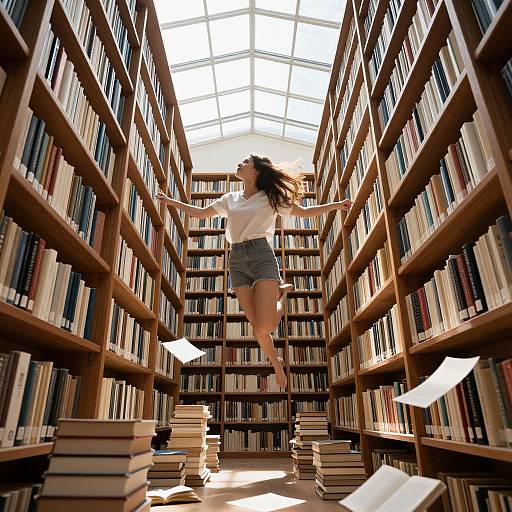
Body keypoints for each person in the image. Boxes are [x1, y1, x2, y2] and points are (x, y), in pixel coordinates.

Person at [157, 154, 351, 388]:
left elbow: (306, 212)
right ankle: (276, 362)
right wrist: (170, 202)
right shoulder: (230, 198)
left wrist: (337, 205)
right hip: (237, 259)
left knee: (266, 326)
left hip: (261, 255)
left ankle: (282, 295)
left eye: (245, 161)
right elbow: (199, 213)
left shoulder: (270, 198)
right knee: (257, 326)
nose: (239, 163)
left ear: (256, 170)